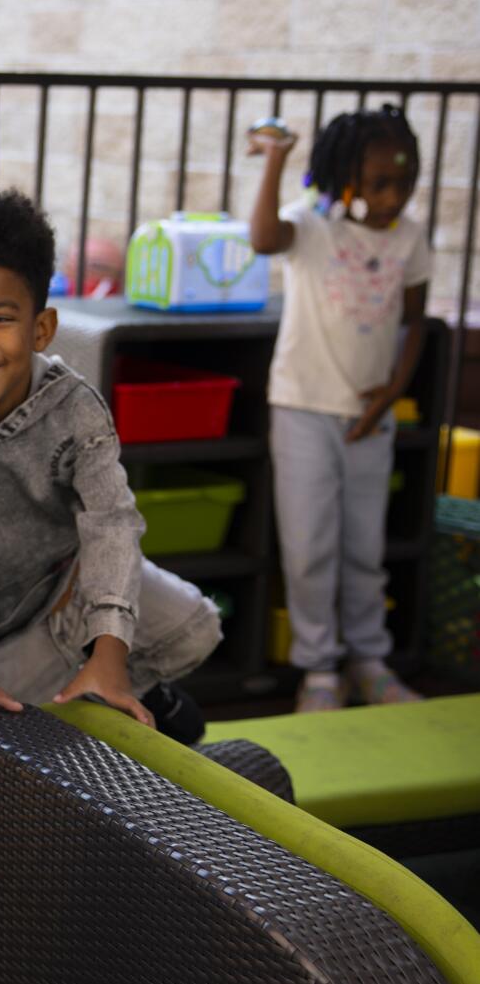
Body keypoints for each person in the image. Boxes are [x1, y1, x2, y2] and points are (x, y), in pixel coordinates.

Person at [0, 187, 220, 749]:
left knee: (197, 626)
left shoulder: (74, 407)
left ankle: (116, 684)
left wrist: (110, 651)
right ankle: (84, 693)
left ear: (41, 328)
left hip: (71, 590)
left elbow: (111, 523)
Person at [248, 106, 429, 712]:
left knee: (364, 546)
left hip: (371, 417)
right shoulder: (313, 225)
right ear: (342, 175)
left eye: (405, 182)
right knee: (310, 546)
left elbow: (415, 321)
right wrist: (275, 160)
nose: (392, 197)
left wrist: (393, 392)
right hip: (302, 409)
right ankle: (319, 669)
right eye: (379, 183)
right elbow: (263, 239)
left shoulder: (410, 237)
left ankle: (370, 662)